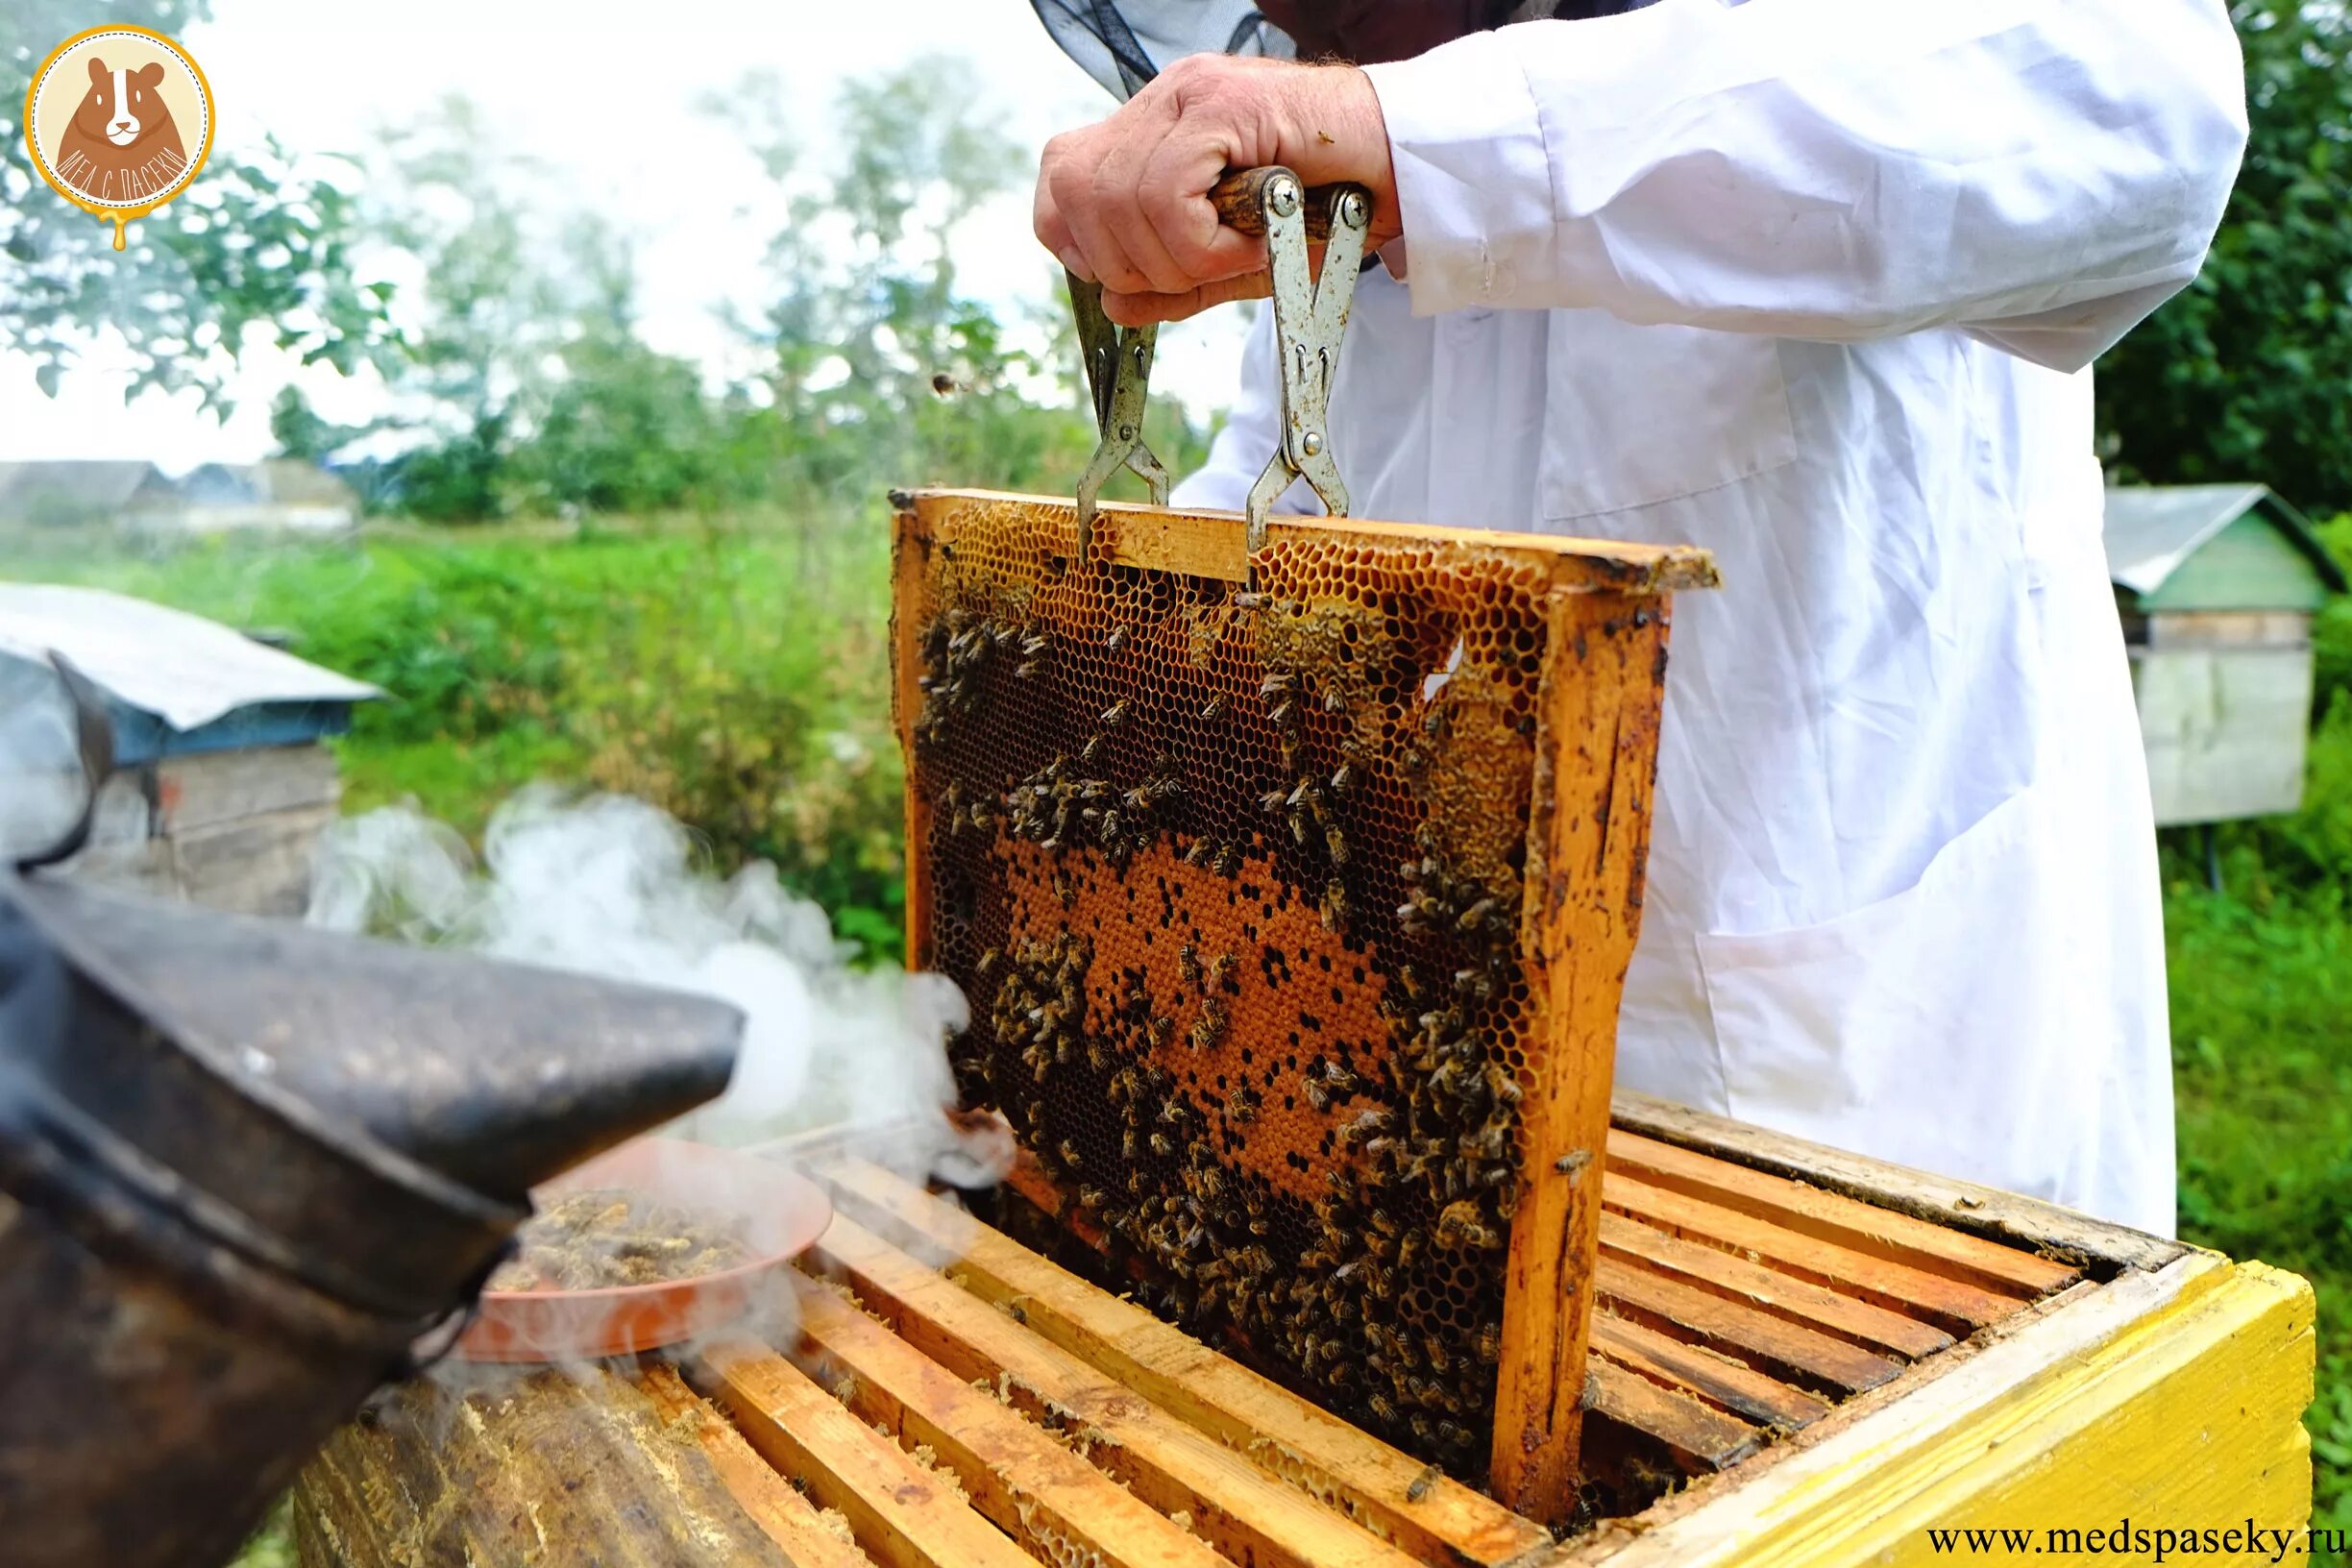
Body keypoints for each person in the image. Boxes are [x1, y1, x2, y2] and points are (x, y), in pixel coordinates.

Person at [1028, 0, 2250, 1235]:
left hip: (1859, 1107)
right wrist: (1102, 658)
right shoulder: (1356, 171)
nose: (1286, 17)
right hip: (1428, 1107)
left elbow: (2140, 102)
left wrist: (1437, 138)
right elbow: (1284, 476)